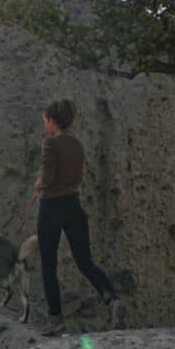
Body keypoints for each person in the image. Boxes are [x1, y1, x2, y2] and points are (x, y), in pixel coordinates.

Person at [34, 99, 125, 336]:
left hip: (51, 208)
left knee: (48, 265)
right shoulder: (77, 145)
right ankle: (112, 300)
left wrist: (40, 183)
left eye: (45, 121)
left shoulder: (50, 144)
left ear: (52, 121)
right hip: (74, 206)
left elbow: (48, 177)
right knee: (85, 262)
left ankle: (55, 320)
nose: (45, 125)